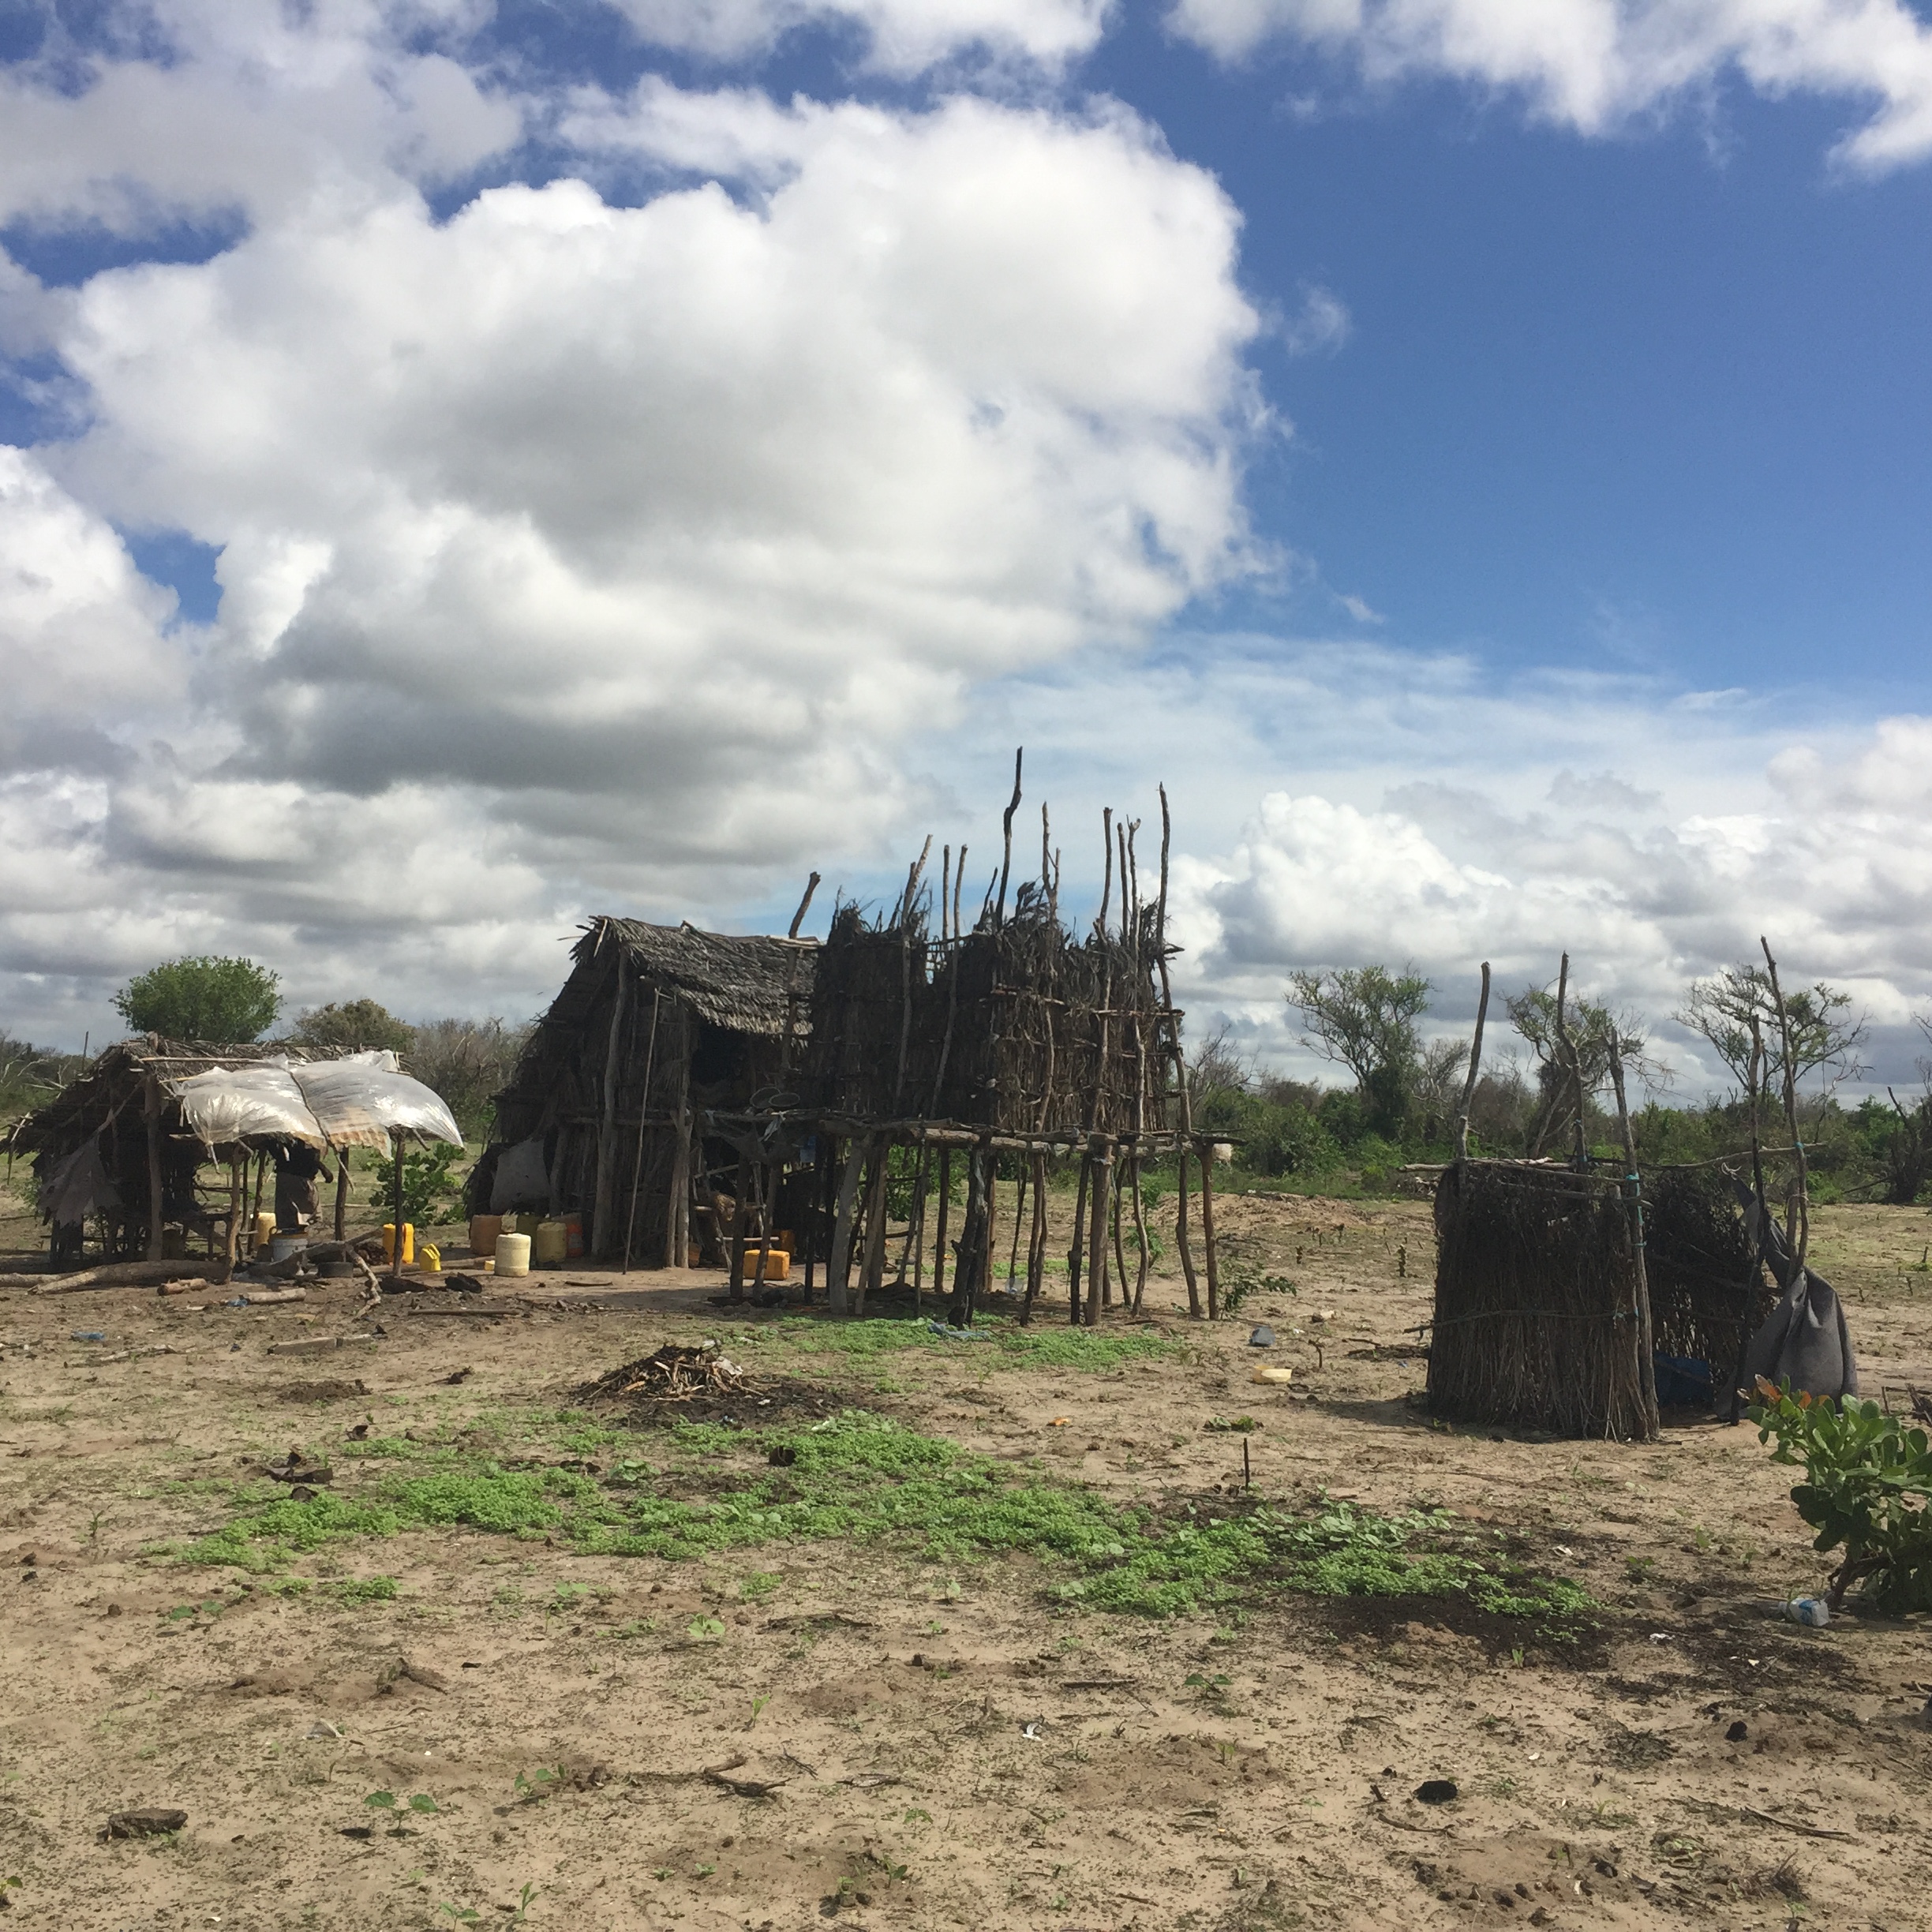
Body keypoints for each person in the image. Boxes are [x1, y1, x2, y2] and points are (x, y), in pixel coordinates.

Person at [274, 1142, 330, 1233]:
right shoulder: (304, 1141)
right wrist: (323, 1169)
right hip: (299, 1179)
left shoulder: (296, 1141)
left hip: (288, 1176)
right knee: (303, 1213)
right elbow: (309, 1157)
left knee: (291, 1215)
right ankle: (294, 1239)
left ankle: (294, 1237)